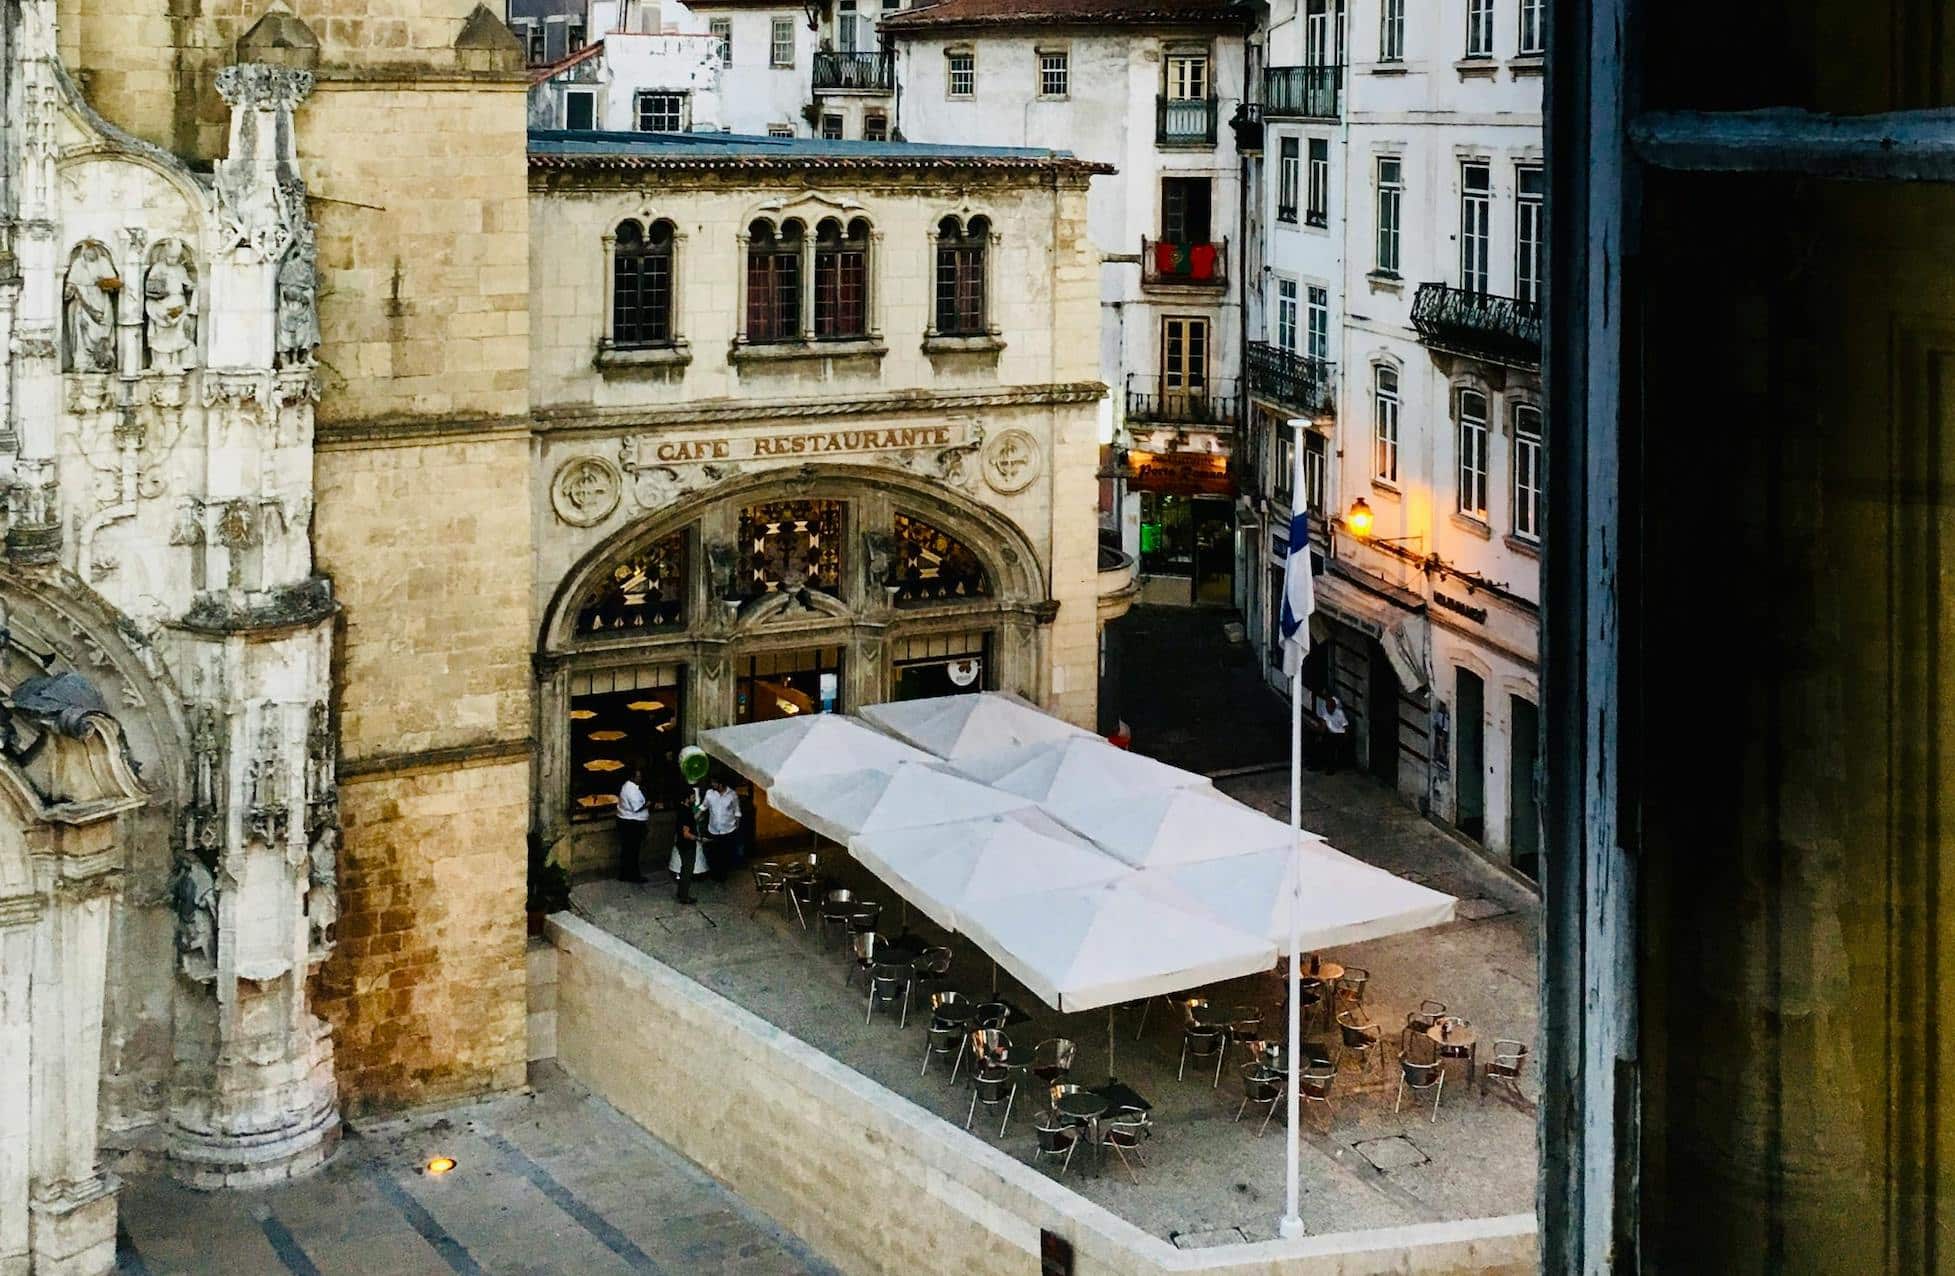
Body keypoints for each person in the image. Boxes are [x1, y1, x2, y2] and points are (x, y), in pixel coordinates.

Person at [700, 775, 742, 882]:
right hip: (713, 830)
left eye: (715, 783)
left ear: (722, 784)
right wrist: (694, 816)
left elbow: (737, 811)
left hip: (728, 830)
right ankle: (715, 874)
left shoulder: (732, 795)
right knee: (714, 854)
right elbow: (704, 807)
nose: (712, 785)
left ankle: (723, 875)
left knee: (725, 854)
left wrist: (737, 826)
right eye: (712, 782)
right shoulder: (710, 793)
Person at [615, 764, 650, 883]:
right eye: (638, 776)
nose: (640, 778)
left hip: (629, 822)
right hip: (632, 824)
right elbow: (637, 806)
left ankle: (625, 874)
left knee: (628, 850)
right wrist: (648, 804)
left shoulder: (630, 787)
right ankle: (633, 875)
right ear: (633, 777)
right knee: (632, 851)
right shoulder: (630, 789)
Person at [1320, 696, 1351, 773]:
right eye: (1327, 706)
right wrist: (1320, 735)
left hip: (1340, 734)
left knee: (1331, 746)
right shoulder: (1325, 713)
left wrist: (1346, 737)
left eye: (1330, 707)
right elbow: (1323, 726)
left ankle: (1331, 768)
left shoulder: (1339, 713)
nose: (1328, 709)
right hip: (1330, 734)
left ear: (1334, 707)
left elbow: (1346, 726)